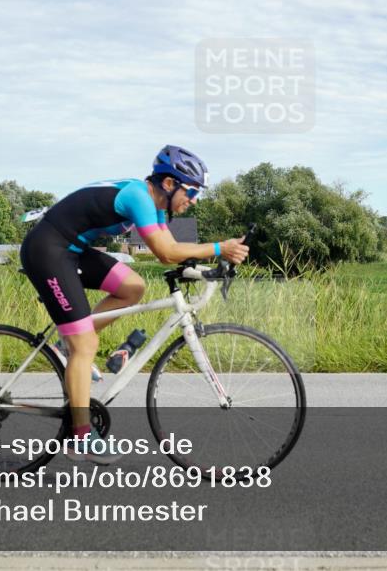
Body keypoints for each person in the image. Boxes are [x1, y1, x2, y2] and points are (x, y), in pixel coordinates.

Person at [19, 145, 249, 464]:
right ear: (169, 184)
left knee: (132, 286)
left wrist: (200, 266)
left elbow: (170, 247)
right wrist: (217, 248)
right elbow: (166, 252)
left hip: (71, 250)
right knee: (85, 344)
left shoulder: (155, 206)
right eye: (192, 191)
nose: (194, 200)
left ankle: (64, 345)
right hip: (48, 250)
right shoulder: (139, 196)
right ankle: (80, 436)